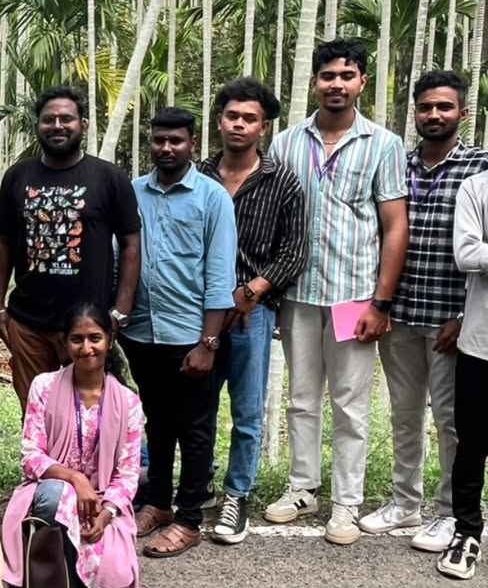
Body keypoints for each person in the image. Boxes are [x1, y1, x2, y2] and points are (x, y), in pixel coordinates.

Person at [266, 39, 408, 545]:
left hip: (354, 295)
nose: (336, 84)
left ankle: (346, 502)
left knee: (349, 404)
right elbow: (275, 220)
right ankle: (302, 488)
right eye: (328, 75)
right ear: (315, 81)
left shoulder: (383, 144)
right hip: (299, 292)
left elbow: (394, 226)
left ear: (361, 83)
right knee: (301, 398)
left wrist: (381, 302)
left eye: (347, 75)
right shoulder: (285, 143)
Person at [362, 71, 488, 551]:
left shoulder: (479, 168)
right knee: (404, 413)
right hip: (401, 312)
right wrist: (382, 301)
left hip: (454, 318)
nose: (434, 115)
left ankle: (452, 512)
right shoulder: (400, 164)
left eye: (444, 107)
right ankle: (403, 502)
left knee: (453, 421)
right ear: (415, 112)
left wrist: (463, 315)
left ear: (462, 112)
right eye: (426, 108)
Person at [121, 108, 237, 558]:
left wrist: (208, 343)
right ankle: (158, 503)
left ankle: (189, 518)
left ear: (193, 144)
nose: (166, 148)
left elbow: (220, 273)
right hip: (143, 335)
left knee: (195, 428)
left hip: (192, 337)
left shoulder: (212, 198)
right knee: (159, 423)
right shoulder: (132, 193)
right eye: (159, 140)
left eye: (176, 141)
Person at [199, 78, 307, 544]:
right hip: (200, 312)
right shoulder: (198, 174)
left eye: (249, 118)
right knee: (197, 405)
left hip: (252, 314)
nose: (238, 124)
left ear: (263, 127)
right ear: (219, 119)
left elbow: (295, 250)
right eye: (231, 116)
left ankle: (236, 497)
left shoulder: (282, 180)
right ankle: (196, 486)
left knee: (247, 411)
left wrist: (253, 291)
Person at [0, 86, 141, 409]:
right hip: (29, 322)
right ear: (38, 125)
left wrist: (121, 309)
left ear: (83, 124)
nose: (57, 125)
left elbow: (131, 243)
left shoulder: (109, 177)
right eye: (49, 119)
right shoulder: (17, 176)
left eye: (66, 119)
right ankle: (45, 463)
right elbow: (3, 243)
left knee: (90, 411)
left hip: (89, 324)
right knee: (37, 413)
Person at [1, 303, 148, 588]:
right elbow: (31, 456)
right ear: (65, 344)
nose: (86, 348)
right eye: (76, 339)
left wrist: (106, 514)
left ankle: (76, 583)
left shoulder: (129, 403)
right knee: (58, 496)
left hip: (104, 502)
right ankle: (59, 580)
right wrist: (75, 479)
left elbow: (128, 475)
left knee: (115, 577)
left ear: (109, 340)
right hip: (51, 489)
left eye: (94, 338)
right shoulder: (44, 386)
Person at [437, 168, 488, 579]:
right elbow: (467, 254)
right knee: (472, 444)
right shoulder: (476, 187)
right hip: (481, 343)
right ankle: (467, 531)